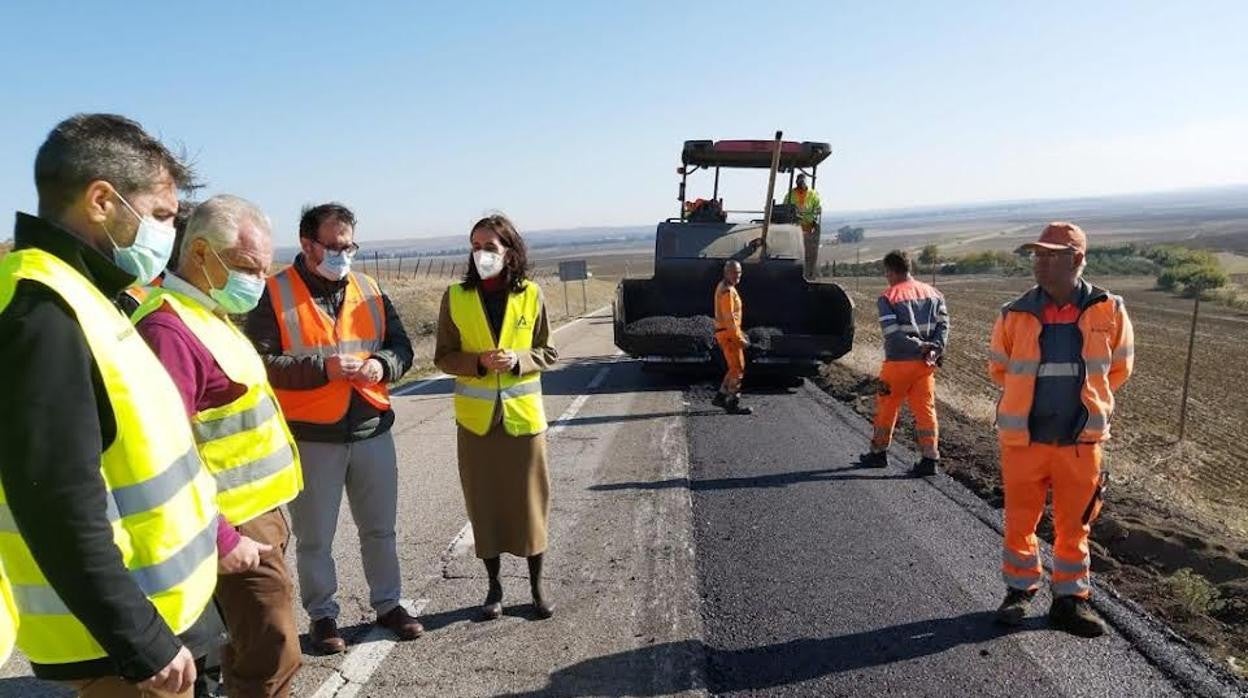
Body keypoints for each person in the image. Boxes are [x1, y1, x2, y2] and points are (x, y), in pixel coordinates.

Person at [0, 113, 222, 696]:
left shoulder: (94, 296)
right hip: (120, 648)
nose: (167, 234)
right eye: (162, 215)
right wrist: (140, 638)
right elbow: (57, 502)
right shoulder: (43, 314)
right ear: (102, 200)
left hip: (160, 615)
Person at [132, 195, 303, 696]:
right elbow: (162, 452)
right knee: (273, 652)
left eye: (265, 267)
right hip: (232, 525)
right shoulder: (170, 329)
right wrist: (219, 535)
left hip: (257, 515)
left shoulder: (207, 314)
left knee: (247, 646)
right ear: (201, 254)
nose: (258, 279)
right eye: (248, 267)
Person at [244, 202, 420, 654]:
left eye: (350, 245)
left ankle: (389, 604)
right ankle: (323, 617)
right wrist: (323, 369)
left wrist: (383, 364)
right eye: (336, 246)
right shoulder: (274, 292)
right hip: (311, 437)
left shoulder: (370, 288)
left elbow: (401, 345)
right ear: (307, 244)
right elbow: (262, 363)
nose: (345, 254)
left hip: (371, 428)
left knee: (380, 529)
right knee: (315, 538)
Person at [989, 222, 1134, 637]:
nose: (1041, 262)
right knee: (1020, 519)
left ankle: (1070, 600)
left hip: (1080, 442)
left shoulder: (1110, 310)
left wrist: (1087, 406)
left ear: (1078, 260)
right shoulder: (1013, 313)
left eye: (1052, 255)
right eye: (1038, 254)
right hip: (1025, 440)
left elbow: (1119, 369)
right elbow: (1000, 368)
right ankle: (1019, 591)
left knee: (1076, 524)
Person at [434, 214, 558, 621]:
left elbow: (548, 352)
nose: (482, 254)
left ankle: (537, 587)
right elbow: (444, 357)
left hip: (523, 420)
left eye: (491, 246)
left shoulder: (531, 294)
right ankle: (494, 588)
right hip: (477, 423)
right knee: (484, 504)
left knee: (530, 504)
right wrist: (479, 363)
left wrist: (519, 360)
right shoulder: (455, 296)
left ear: (510, 251)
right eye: (476, 246)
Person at [860, 250, 950, 476]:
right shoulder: (934, 293)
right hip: (925, 366)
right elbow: (944, 325)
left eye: (886, 273)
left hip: (898, 364)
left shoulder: (888, 297)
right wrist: (935, 347)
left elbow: (893, 334)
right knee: (925, 409)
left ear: (890, 271)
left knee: (887, 406)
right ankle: (930, 459)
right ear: (909, 268)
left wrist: (921, 346)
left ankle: (878, 453)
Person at [712, 260, 752, 415]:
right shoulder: (727, 292)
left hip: (725, 333)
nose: (737, 275)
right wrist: (739, 339)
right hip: (729, 334)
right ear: (726, 272)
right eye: (734, 272)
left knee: (733, 367)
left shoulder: (724, 287)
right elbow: (730, 319)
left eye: (739, 272)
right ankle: (732, 402)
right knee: (738, 368)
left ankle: (721, 397)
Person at [783, 174, 822, 276]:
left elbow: (817, 208)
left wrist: (815, 215)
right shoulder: (790, 194)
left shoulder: (813, 194)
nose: (801, 184)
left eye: (802, 182)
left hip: (808, 228)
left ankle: (808, 272)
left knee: (808, 254)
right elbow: (784, 209)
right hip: (794, 228)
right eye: (799, 182)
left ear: (805, 182)